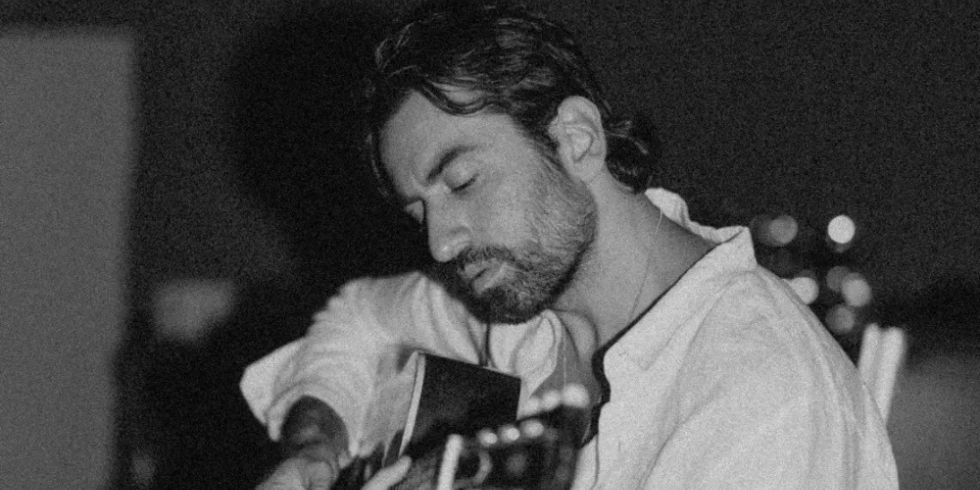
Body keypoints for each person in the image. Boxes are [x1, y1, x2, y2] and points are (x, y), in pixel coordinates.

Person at [241, 2, 898, 488]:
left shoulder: (760, 400)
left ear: (577, 139)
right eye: (419, 212)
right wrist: (315, 447)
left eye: (463, 182)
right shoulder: (525, 297)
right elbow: (360, 317)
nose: (440, 243)